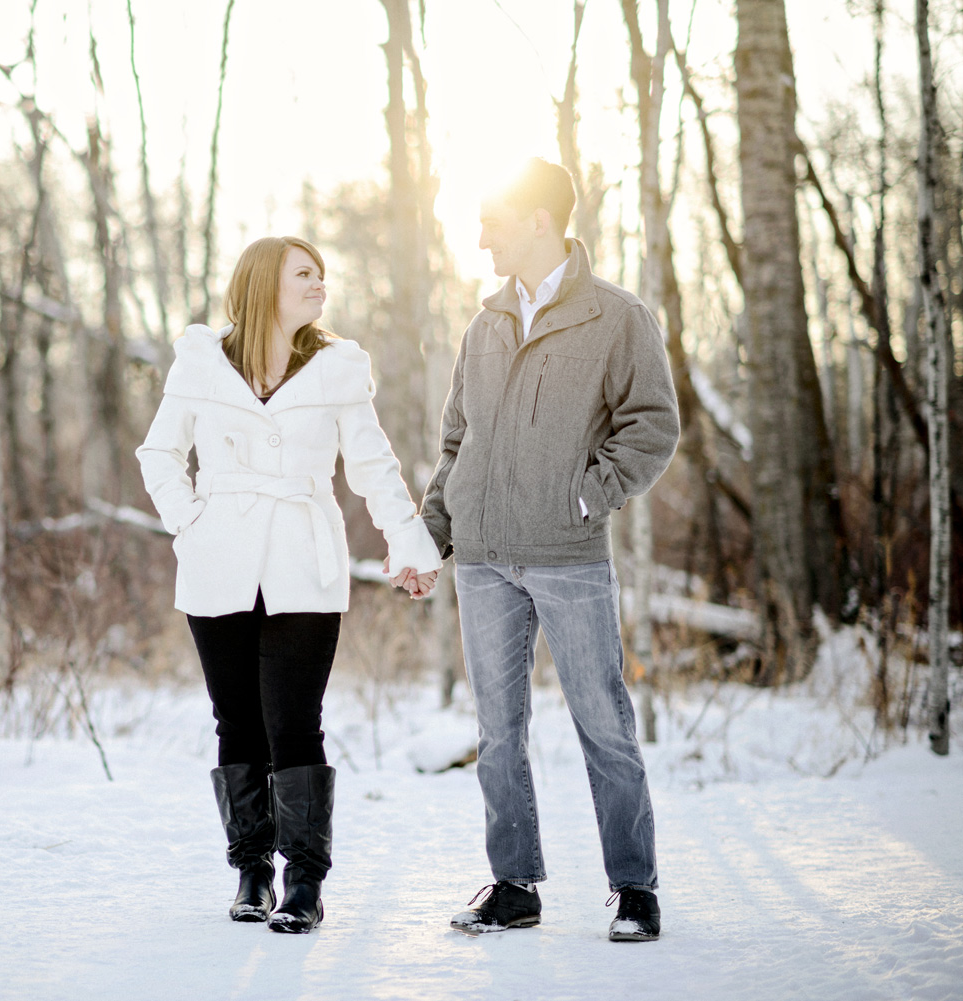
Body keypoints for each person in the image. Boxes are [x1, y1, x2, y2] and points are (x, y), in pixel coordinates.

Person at [137, 236, 441, 934]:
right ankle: (252, 871)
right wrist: (191, 522)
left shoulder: (339, 366)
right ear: (265, 282)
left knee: (295, 723)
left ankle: (304, 880)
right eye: (305, 273)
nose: (319, 284)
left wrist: (408, 540)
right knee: (237, 719)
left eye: (322, 274)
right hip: (219, 558)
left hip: (305, 559)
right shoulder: (201, 362)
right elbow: (158, 453)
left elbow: (372, 466)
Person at [420, 159, 679, 942]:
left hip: (568, 554)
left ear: (539, 220)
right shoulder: (484, 322)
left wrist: (585, 494)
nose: (481, 235)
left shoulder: (615, 316)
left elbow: (653, 425)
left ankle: (634, 886)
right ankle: (514, 883)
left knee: (603, 722)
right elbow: (456, 441)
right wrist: (433, 532)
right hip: (484, 559)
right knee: (498, 731)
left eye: (493, 220)